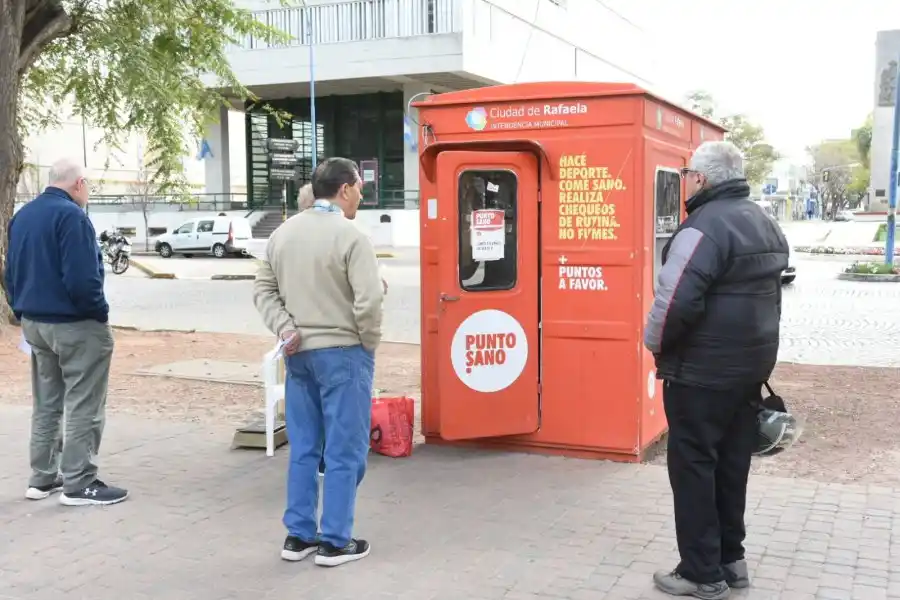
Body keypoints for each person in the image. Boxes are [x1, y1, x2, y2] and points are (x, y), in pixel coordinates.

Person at [643, 141, 788, 599]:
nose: (687, 182)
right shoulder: (764, 221)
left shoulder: (701, 227)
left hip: (700, 373)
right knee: (730, 466)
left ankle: (701, 573)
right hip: (749, 370)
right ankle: (732, 561)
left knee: (693, 468)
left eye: (689, 175)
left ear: (701, 179)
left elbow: (674, 302)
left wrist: (653, 344)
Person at [253, 157, 383, 567]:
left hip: (299, 354)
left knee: (305, 447)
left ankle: (299, 535)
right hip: (344, 353)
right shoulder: (351, 236)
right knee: (345, 450)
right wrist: (368, 342)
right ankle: (335, 540)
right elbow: (370, 299)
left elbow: (263, 289)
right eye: (359, 187)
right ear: (344, 189)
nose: (361, 195)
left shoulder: (282, 234)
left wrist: (285, 328)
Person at [5, 158, 129, 507]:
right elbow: (82, 278)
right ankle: (79, 480)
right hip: (74, 324)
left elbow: (10, 271)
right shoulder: (73, 217)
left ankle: (42, 477)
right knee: (84, 401)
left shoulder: (23, 216)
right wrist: (98, 313)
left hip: (35, 323)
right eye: (88, 186)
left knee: (47, 401)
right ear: (79, 184)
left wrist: (20, 310)